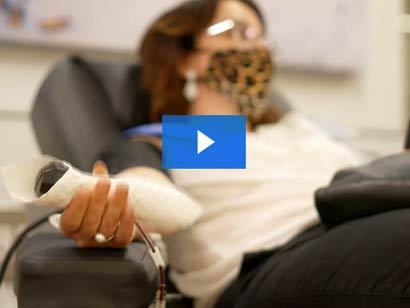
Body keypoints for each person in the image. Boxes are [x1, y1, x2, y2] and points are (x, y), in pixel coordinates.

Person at [58, 1, 381, 307]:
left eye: (260, 38)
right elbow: (142, 192)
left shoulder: (295, 129)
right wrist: (107, 212)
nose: (256, 48)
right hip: (268, 264)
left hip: (357, 226)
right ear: (186, 59)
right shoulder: (171, 139)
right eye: (236, 31)